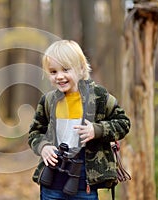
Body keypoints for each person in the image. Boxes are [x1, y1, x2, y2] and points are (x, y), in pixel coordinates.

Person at [28, 40, 131, 200]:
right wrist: (43, 147)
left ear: (81, 68)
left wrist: (96, 130)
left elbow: (123, 123)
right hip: (52, 180)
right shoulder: (48, 100)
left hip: (85, 180)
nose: (59, 76)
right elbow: (35, 132)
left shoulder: (98, 97)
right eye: (53, 72)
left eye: (66, 70)